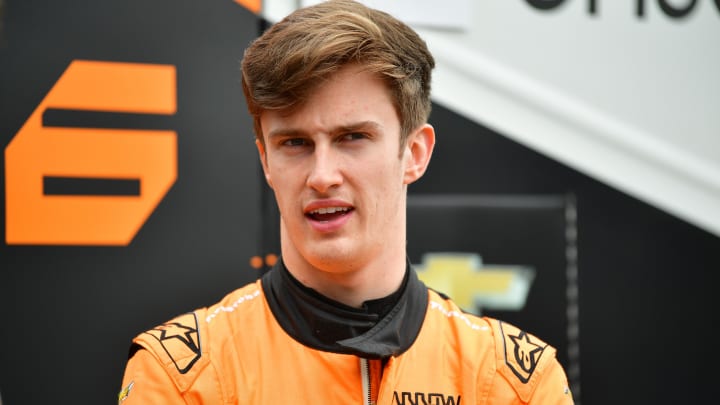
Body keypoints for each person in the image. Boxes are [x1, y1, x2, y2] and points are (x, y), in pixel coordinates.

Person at [117, 0, 575, 403]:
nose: (322, 176)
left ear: (413, 154)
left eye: (352, 137)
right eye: (294, 143)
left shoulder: (514, 384)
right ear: (266, 162)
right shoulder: (181, 378)